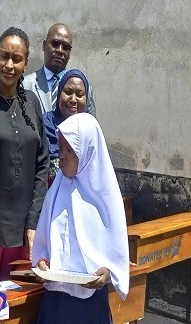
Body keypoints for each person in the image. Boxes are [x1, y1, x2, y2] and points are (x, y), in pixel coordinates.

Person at [32, 114, 129, 324]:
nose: (62, 156)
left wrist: (107, 272)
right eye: (61, 147)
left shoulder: (105, 195)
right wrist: (42, 261)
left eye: (70, 150)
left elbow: (115, 250)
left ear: (87, 151)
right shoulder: (56, 190)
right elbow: (44, 243)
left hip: (89, 304)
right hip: (56, 300)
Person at [0, 27, 49, 280]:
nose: (9, 65)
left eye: (17, 59)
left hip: (24, 234)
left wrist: (34, 222)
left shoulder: (32, 104)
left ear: (25, 63)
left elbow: (42, 164)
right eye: (5, 56)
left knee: (19, 311)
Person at [22, 23, 96, 116]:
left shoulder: (84, 89)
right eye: (55, 44)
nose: (60, 50)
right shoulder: (25, 85)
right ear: (44, 45)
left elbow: (91, 125)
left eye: (66, 47)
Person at [43, 69, 93, 181]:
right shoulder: (43, 125)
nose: (73, 99)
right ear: (59, 93)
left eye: (80, 95)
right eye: (68, 92)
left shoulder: (89, 132)